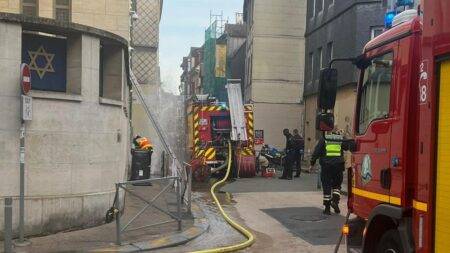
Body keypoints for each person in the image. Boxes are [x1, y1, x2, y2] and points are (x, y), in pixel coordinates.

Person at [309, 130, 344, 215]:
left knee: (326, 186)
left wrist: (312, 163)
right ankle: (335, 201)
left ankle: (327, 209)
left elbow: (317, 152)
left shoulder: (324, 139)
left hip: (326, 166)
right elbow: (347, 146)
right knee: (337, 185)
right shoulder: (340, 138)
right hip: (338, 165)